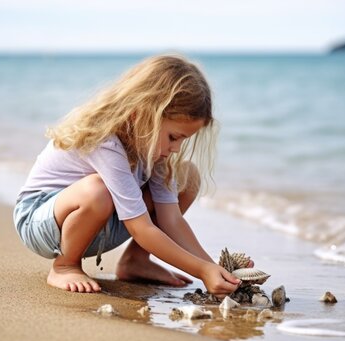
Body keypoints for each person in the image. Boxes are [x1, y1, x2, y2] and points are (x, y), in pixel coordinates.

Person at [13, 54, 243, 298]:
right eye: (173, 137)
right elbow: (141, 227)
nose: (175, 148)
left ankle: (135, 261)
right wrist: (201, 270)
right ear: (140, 115)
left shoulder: (152, 149)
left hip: (100, 225)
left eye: (182, 140)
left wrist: (213, 269)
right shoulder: (104, 141)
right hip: (41, 221)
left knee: (188, 177)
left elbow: (171, 220)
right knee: (97, 190)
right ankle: (65, 265)